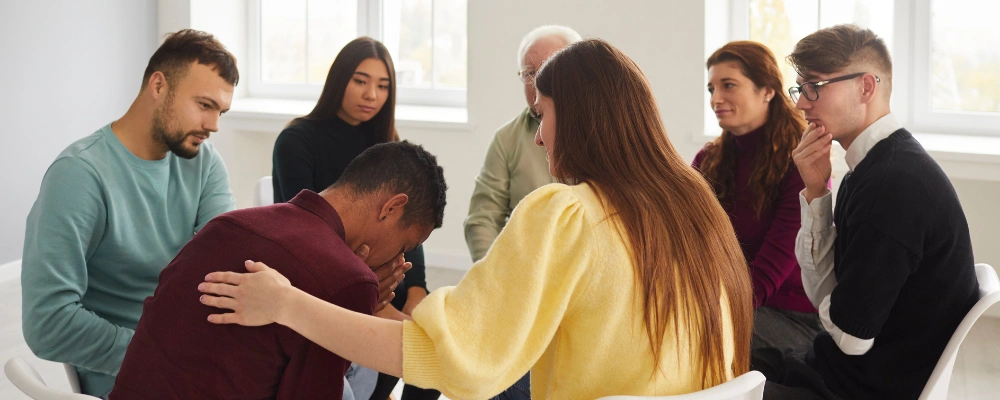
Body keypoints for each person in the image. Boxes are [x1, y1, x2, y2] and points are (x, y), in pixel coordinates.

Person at [198, 39, 754, 400]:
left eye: (543, 116)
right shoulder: (697, 211)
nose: (539, 136)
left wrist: (286, 303)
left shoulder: (564, 214)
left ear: (579, 118)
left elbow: (447, 359)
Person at [109, 141, 446, 400]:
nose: (397, 260)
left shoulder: (228, 223)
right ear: (391, 207)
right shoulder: (349, 279)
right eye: (404, 245)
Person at [753, 24, 980, 400]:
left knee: (711, 370)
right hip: (838, 369)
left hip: (855, 388)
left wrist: (835, 309)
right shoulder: (877, 166)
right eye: (800, 88)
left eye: (815, 87)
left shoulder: (892, 186)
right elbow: (833, 301)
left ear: (866, 87)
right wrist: (815, 191)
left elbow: (850, 336)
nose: (800, 103)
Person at [20, 29, 239, 397]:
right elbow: (47, 323)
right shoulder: (79, 175)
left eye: (221, 111)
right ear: (158, 86)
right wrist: (161, 352)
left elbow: (222, 271)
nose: (214, 125)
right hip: (138, 373)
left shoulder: (204, 164)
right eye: (204, 105)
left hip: (199, 355)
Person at [269, 36, 438, 400]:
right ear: (339, 80)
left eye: (382, 86)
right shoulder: (296, 141)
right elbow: (300, 231)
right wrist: (380, 304)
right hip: (326, 276)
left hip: (381, 275)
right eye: (361, 81)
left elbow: (410, 231)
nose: (371, 95)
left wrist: (418, 293)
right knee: (409, 345)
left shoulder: (388, 144)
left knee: (433, 346)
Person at [694, 41, 820, 354]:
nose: (716, 99)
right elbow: (686, 239)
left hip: (791, 317)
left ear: (767, 90)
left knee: (690, 334)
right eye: (711, 89)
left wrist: (708, 311)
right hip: (727, 300)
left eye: (728, 85)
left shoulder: (801, 162)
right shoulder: (708, 159)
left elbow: (769, 272)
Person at [464, 25, 580, 262]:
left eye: (549, 68)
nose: (538, 80)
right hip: (527, 268)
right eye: (529, 72)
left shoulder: (605, 131)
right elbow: (483, 219)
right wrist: (493, 276)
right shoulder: (506, 139)